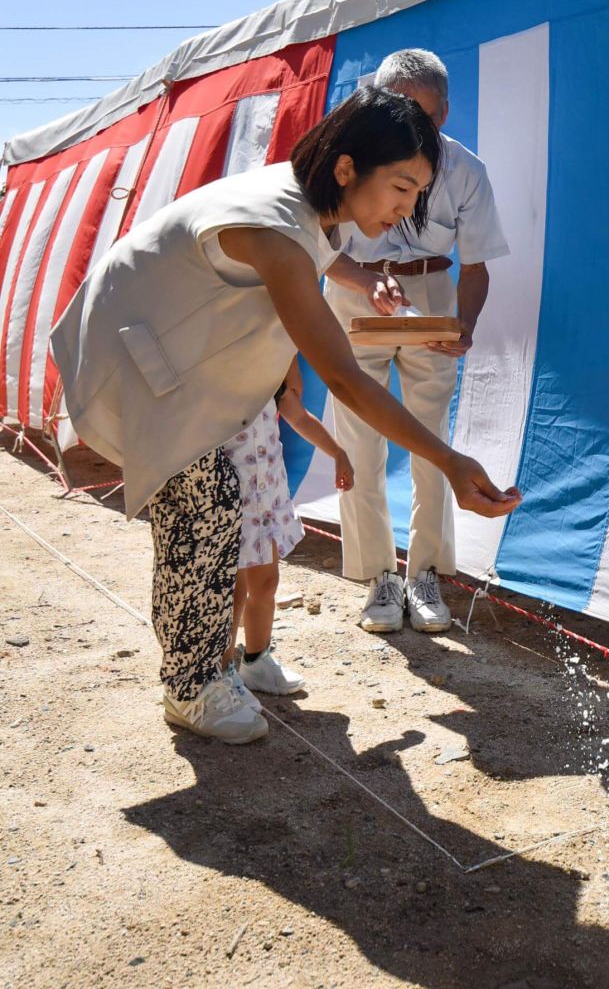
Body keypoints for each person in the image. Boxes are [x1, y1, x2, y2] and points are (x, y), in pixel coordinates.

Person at [51, 87, 521, 745]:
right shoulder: (276, 228)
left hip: (192, 365)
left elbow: (328, 259)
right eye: (402, 187)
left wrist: (367, 283)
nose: (408, 209)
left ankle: (227, 664)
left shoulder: (315, 211)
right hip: (141, 355)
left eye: (417, 195)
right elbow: (340, 375)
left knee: (226, 510)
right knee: (205, 508)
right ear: (347, 168)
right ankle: (190, 687)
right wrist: (448, 460)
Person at [325, 51, 509, 635]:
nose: (414, 129)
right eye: (400, 112)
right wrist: (360, 279)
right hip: (356, 289)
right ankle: (379, 576)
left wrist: (466, 325)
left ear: (447, 110)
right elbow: (318, 245)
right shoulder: (345, 162)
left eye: (426, 116)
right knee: (359, 440)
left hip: (431, 292)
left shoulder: (465, 169)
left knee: (432, 440)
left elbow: (476, 266)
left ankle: (425, 573)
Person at [225, 359, 353, 696]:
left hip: (266, 495)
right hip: (230, 497)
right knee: (233, 591)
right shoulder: (219, 370)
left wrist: (337, 452)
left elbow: (297, 415)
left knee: (266, 582)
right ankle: (221, 670)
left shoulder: (274, 370)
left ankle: (256, 659)